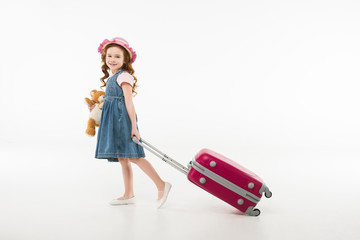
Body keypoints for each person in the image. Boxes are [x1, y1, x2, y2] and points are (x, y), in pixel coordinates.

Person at [94, 37, 171, 208]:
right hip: (115, 120)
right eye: (109, 56)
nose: (112, 60)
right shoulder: (112, 77)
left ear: (125, 59)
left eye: (117, 57)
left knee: (134, 156)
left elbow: (128, 102)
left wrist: (134, 127)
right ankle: (128, 193)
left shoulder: (124, 76)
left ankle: (161, 185)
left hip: (123, 121)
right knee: (123, 158)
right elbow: (111, 102)